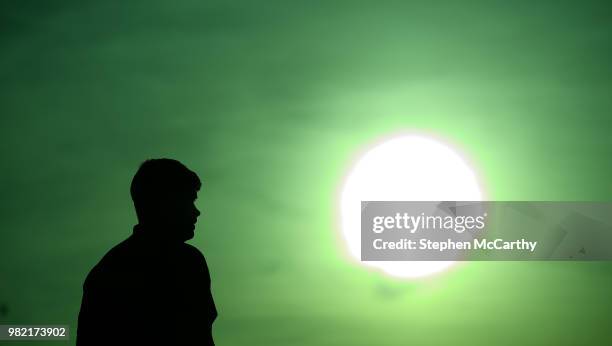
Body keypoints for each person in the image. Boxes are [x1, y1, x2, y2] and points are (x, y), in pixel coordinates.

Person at [77, 159, 217, 345]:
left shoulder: (106, 271)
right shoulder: (189, 262)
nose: (196, 212)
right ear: (166, 202)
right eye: (189, 200)